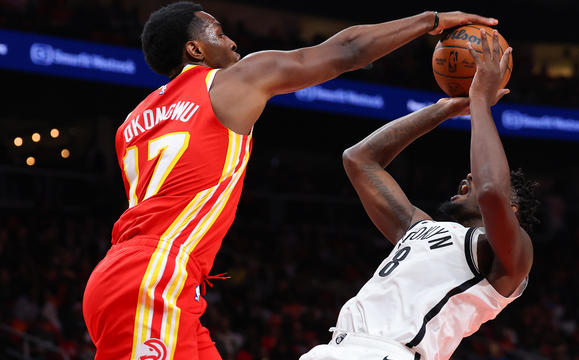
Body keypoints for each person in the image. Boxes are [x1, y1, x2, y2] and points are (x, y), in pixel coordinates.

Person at [81, 1, 499, 359]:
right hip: (156, 274)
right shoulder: (230, 80)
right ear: (194, 49)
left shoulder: (131, 124)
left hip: (138, 275)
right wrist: (431, 20)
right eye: (219, 33)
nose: (231, 43)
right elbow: (347, 50)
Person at [301, 29, 539, 360]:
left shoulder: (512, 256)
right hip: (336, 347)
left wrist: (481, 102)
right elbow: (359, 159)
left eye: (478, 177)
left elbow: (490, 192)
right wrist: (443, 111)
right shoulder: (419, 228)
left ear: (513, 209)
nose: (468, 176)